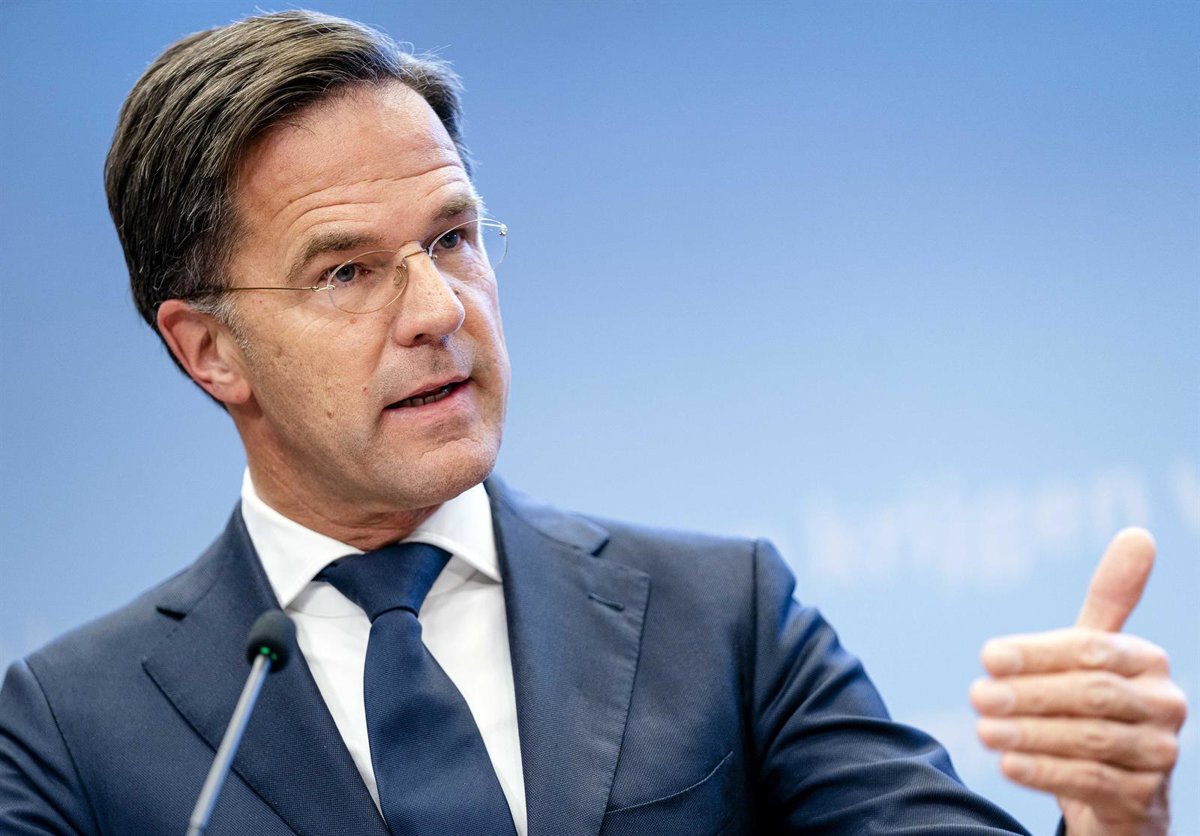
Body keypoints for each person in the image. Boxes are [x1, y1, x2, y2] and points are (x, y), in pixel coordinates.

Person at [0, 10, 1185, 835]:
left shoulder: (722, 619)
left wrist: (1112, 817)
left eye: (454, 237)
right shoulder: (68, 730)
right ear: (208, 349)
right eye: (347, 272)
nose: (439, 310)